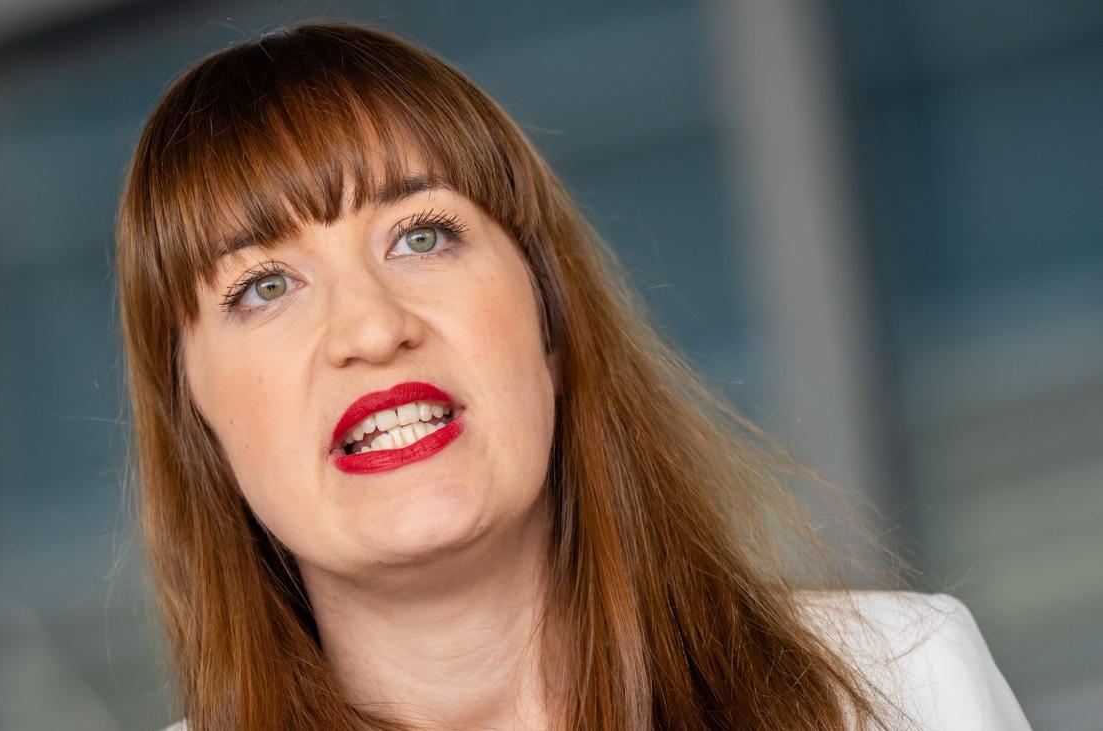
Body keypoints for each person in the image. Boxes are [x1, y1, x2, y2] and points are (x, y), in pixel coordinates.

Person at [115, 21, 1031, 731]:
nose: (373, 328)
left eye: (421, 236)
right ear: (199, 421)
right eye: (264, 287)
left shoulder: (905, 685)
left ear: (550, 322)